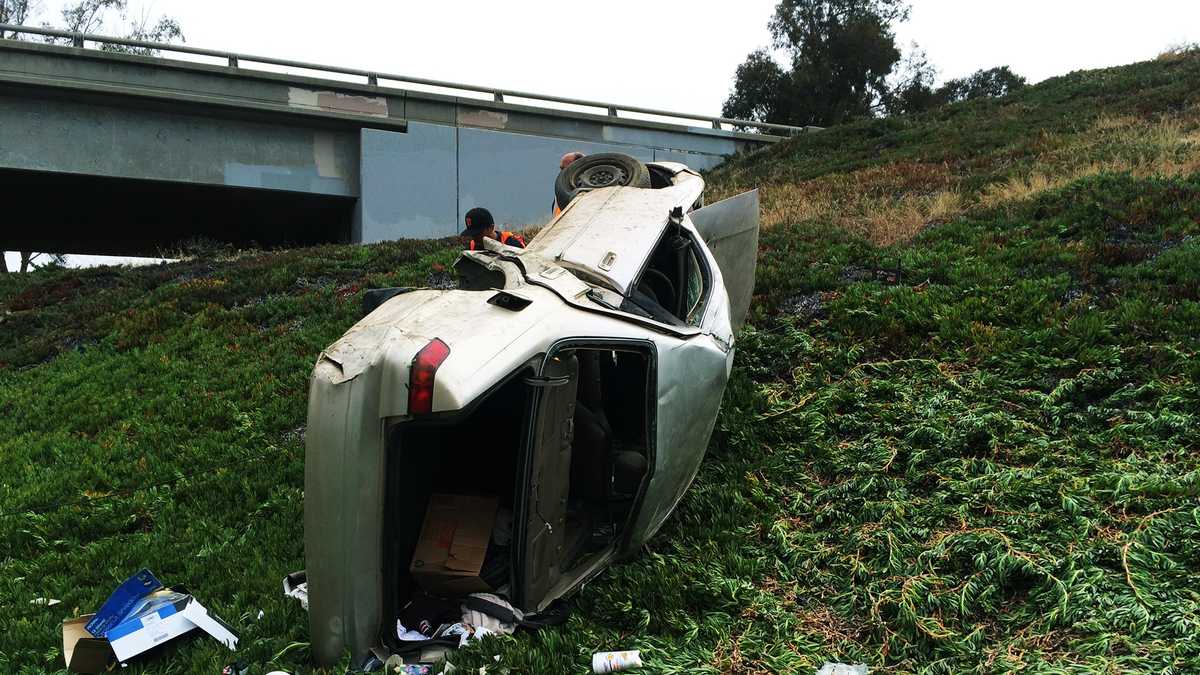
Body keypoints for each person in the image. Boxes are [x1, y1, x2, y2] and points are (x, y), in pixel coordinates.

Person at [552, 152, 586, 218]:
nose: (561, 173)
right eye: (561, 169)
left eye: (564, 169)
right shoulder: (560, 193)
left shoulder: (591, 192)